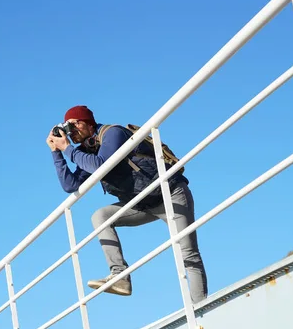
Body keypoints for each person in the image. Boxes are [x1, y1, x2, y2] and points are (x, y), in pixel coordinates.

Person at [46, 105, 208, 303]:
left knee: (188, 254)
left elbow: (101, 165)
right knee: (100, 216)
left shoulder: (113, 133)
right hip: (141, 204)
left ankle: (200, 307)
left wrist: (68, 149)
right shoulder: (86, 151)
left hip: (170, 194)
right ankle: (120, 276)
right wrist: (57, 153)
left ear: (83, 123)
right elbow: (70, 185)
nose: (71, 135)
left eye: (73, 128)